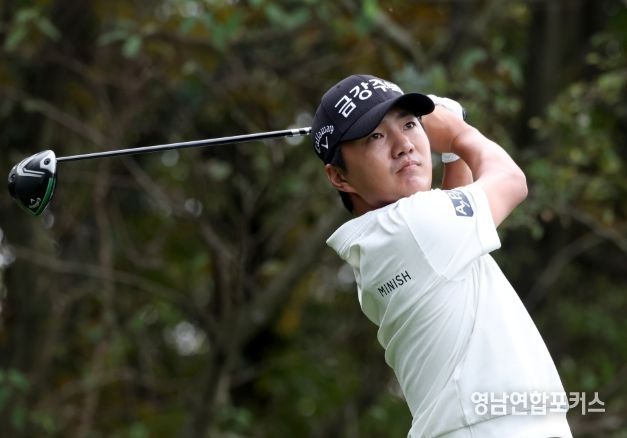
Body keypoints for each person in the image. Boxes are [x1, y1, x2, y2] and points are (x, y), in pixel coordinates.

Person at [311, 74, 572, 438]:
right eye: (375, 136)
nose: (404, 145)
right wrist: (457, 133)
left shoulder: (383, 241)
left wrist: (452, 153)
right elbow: (511, 181)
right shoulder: (413, 225)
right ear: (339, 176)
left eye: (409, 124)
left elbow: (451, 243)